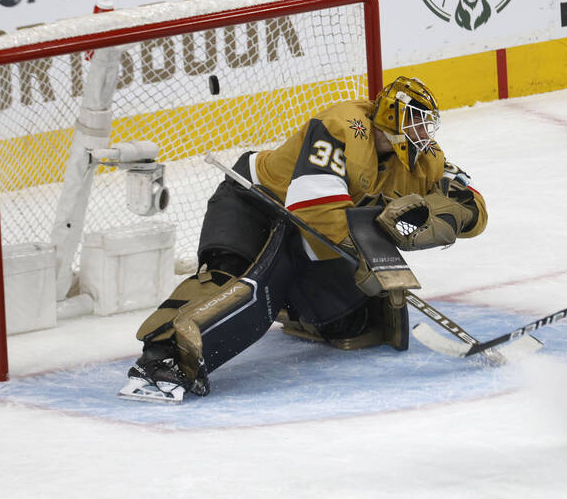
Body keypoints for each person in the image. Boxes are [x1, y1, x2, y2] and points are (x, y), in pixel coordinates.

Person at [119, 76, 489, 402]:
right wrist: (367, 256)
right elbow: (314, 207)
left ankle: (294, 308)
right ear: (392, 120)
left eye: (427, 127)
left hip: (313, 230)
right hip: (256, 202)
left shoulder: (424, 159)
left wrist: (442, 217)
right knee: (231, 280)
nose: (424, 135)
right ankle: (162, 356)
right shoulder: (343, 126)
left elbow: (471, 203)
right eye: (417, 124)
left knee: (357, 324)